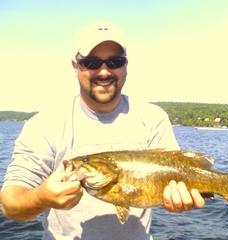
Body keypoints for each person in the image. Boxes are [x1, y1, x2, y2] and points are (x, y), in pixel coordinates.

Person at [0, 22, 205, 240]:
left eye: (115, 62)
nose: (104, 71)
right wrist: (41, 197)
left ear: (126, 65)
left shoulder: (153, 118)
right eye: (92, 62)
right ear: (76, 66)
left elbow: (175, 177)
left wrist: (179, 199)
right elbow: (10, 205)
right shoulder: (44, 124)